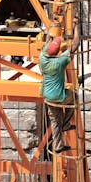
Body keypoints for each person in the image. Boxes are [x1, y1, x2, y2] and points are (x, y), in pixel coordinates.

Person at [39, 22, 80, 154]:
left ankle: (58, 145)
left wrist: (53, 27)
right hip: (58, 95)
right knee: (74, 97)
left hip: (46, 95)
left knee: (55, 120)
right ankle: (67, 124)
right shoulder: (59, 62)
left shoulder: (42, 58)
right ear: (57, 53)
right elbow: (75, 45)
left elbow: (48, 40)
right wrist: (76, 26)